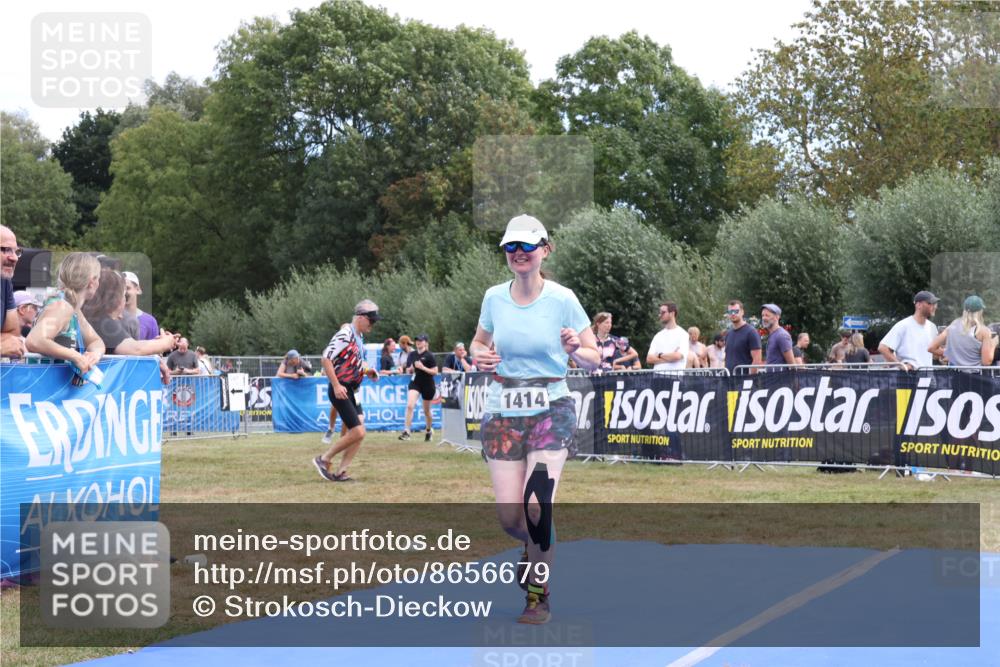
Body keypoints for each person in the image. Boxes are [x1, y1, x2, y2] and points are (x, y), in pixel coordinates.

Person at [470, 214, 599, 625]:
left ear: (545, 249)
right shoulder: (494, 297)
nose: (519, 254)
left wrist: (577, 346)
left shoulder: (562, 299)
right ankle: (531, 548)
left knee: (537, 506)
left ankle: (537, 596)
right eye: (511, 247)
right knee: (512, 518)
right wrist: (479, 354)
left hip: (551, 408)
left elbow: (594, 358)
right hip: (504, 411)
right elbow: (479, 341)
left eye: (527, 246)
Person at [314, 300, 381, 482]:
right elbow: (326, 358)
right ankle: (323, 459)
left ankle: (341, 471)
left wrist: (368, 371)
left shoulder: (359, 337)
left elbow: (357, 362)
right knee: (358, 432)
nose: (373, 324)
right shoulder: (345, 334)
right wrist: (336, 385)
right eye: (371, 321)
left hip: (354, 390)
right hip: (341, 389)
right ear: (360, 318)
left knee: (360, 432)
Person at [79, 268, 176, 383]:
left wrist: (153, 357)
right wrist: (167, 341)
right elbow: (135, 349)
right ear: (115, 298)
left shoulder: (89, 315)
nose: (124, 299)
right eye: (123, 294)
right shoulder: (100, 320)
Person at [25, 253, 105, 377]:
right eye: (98, 278)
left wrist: (94, 355)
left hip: (50, 387)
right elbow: (34, 341)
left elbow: (96, 341)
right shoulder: (62, 307)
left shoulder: (73, 309)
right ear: (92, 281)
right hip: (43, 386)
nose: (99, 284)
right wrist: (76, 356)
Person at [878, 291, 941, 370]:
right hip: (909, 377)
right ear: (918, 305)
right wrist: (901, 365)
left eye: (935, 304)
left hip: (929, 375)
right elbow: (883, 347)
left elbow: (934, 354)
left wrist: (944, 355)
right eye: (930, 303)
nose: (935, 307)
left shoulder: (932, 327)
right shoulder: (903, 325)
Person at [928, 295, 995, 367]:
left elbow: (931, 348)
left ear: (965, 310)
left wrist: (950, 355)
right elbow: (987, 362)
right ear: (980, 311)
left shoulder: (952, 326)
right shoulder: (983, 331)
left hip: (954, 375)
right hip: (975, 376)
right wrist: (993, 344)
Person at [399, 333, 438, 441]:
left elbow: (435, 372)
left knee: (426, 411)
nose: (418, 342)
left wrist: (423, 367)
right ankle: (406, 431)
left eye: (420, 340)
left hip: (428, 384)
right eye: (416, 340)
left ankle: (429, 430)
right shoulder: (412, 354)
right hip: (415, 382)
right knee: (410, 405)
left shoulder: (430, 355)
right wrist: (409, 369)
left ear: (425, 342)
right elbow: (409, 369)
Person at [1, 225, 26, 358]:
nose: (15, 258)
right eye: (5, 250)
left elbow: (12, 333)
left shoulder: (4, 281)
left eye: (16, 251)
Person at [646, 302, 689, 372]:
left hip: (674, 376)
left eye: (663, 312)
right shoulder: (658, 335)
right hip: (657, 376)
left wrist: (659, 355)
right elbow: (649, 359)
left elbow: (677, 356)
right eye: (660, 312)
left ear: (672, 313)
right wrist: (670, 357)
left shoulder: (683, 334)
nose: (660, 315)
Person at [723, 300, 762, 374]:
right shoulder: (729, 333)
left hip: (744, 379)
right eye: (730, 312)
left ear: (742, 312)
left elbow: (757, 359)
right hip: (729, 380)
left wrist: (750, 379)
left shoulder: (751, 332)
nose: (733, 314)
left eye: (736, 311)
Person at [122, 271, 160, 341]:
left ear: (138, 290)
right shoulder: (111, 319)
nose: (124, 292)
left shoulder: (150, 321)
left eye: (127, 288)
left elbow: (155, 349)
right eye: (121, 289)